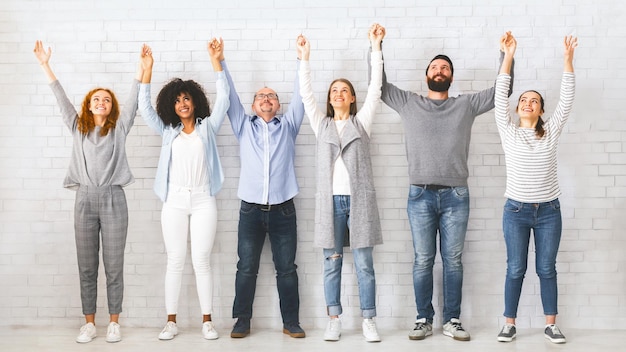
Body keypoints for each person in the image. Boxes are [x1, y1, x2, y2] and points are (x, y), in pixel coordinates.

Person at [373, 32, 514, 342]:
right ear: (427, 76)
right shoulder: (409, 102)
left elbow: (501, 93)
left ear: (451, 76)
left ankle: (452, 319)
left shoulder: (465, 105)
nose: (439, 70)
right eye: (435, 67)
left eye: (445, 68)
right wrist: (376, 47)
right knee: (423, 259)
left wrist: (505, 55)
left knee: (453, 260)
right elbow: (379, 88)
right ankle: (423, 318)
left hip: (456, 195)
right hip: (419, 194)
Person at [33, 40, 145, 344]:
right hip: (84, 199)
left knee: (114, 264)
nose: (101, 101)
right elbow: (60, 98)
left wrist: (141, 70)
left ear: (111, 107)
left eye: (106, 99)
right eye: (96, 98)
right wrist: (45, 64)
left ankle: (113, 322)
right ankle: (89, 323)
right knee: (86, 264)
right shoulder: (77, 127)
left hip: (113, 199)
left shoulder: (119, 128)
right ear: (88, 104)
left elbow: (134, 102)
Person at [297, 24, 385, 343]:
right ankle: (333, 318)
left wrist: (376, 48)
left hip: (358, 202)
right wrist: (304, 58)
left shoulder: (362, 123)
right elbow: (306, 95)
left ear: (351, 98)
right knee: (331, 264)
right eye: (334, 91)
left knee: (364, 264)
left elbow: (376, 88)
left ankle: (368, 320)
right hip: (330, 205)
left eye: (344, 91)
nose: (339, 94)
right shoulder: (320, 125)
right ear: (330, 98)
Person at [138, 38, 230, 341]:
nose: (183, 104)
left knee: (201, 260)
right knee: (175, 259)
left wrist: (217, 61)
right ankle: (171, 321)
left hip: (204, 198)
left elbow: (225, 98)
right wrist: (147, 70)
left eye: (187, 98)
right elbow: (144, 108)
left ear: (195, 102)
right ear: (172, 105)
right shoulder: (168, 132)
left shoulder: (207, 128)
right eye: (177, 100)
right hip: (174, 200)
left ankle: (207, 321)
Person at [494, 32, 577, 344]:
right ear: (517, 110)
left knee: (546, 268)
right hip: (515, 211)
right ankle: (509, 323)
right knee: (515, 269)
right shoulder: (509, 132)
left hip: (549, 212)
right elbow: (499, 97)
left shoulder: (550, 132)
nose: (528, 103)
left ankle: (551, 325)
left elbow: (567, 99)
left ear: (542, 110)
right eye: (523, 101)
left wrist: (568, 61)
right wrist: (509, 56)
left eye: (535, 101)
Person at [221, 39, 306, 339]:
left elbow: (301, 94)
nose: (267, 98)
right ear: (254, 105)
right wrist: (220, 62)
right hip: (250, 210)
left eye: (271, 96)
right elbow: (229, 96)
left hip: (284, 208)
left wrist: (302, 59)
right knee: (246, 267)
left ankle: (291, 322)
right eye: (261, 96)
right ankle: (242, 320)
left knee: (287, 269)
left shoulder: (290, 125)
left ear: (278, 105)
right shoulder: (244, 126)